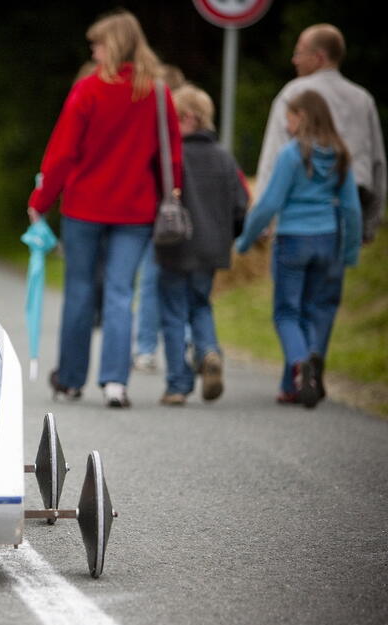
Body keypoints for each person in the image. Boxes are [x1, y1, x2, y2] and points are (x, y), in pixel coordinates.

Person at [26, 9, 181, 408]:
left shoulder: (89, 90)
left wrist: (41, 201)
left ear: (112, 44)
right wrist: (169, 196)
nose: (93, 50)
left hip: (85, 207)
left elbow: (61, 153)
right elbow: (172, 157)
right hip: (136, 209)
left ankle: (72, 380)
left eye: (97, 43)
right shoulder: (158, 93)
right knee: (118, 293)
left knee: (79, 291)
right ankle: (116, 383)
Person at [236, 90, 362, 408]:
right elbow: (351, 209)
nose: (287, 125)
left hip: (293, 239)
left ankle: (300, 362)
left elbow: (268, 204)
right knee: (317, 309)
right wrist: (348, 251)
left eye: (289, 118)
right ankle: (301, 377)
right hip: (329, 239)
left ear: (302, 117)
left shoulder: (292, 154)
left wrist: (246, 239)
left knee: (287, 312)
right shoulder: (341, 153)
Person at [156, 85, 248, 406]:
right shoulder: (224, 157)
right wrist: (230, 237)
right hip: (211, 250)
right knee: (200, 304)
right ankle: (208, 352)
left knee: (172, 312)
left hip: (174, 247)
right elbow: (240, 204)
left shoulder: (171, 157)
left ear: (186, 117)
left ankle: (178, 385)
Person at [256, 24, 385, 244]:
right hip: (353, 200)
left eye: (298, 53)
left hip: (304, 206)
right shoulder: (363, 99)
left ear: (319, 57)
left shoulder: (294, 94)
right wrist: (371, 223)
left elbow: (274, 157)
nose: (293, 60)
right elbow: (377, 162)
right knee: (333, 273)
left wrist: (262, 220)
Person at [133, 64, 189, 373]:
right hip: (184, 223)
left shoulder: (161, 134)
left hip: (157, 218)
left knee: (150, 283)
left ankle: (145, 349)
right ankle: (190, 344)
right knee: (182, 286)